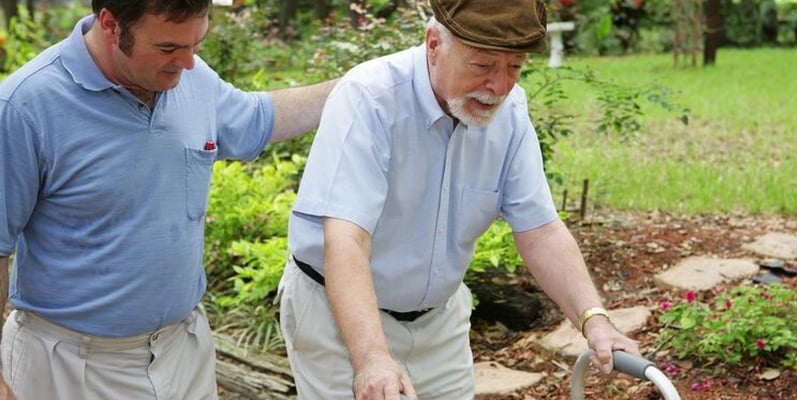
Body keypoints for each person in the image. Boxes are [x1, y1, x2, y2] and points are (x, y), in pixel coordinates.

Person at [278, 0, 640, 399]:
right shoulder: (369, 98)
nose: (499, 87)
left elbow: (541, 231)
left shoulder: (511, 111)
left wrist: (595, 321)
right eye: (483, 66)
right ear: (434, 44)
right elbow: (346, 239)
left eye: (514, 67)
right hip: (340, 321)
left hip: (439, 322)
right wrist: (372, 358)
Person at [0, 0, 336, 399]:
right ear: (111, 23)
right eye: (168, 48)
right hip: (70, 368)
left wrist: (357, 85)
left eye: (197, 44)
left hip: (183, 352)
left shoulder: (191, 77)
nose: (187, 62)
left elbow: (258, 118)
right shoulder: (23, 107)